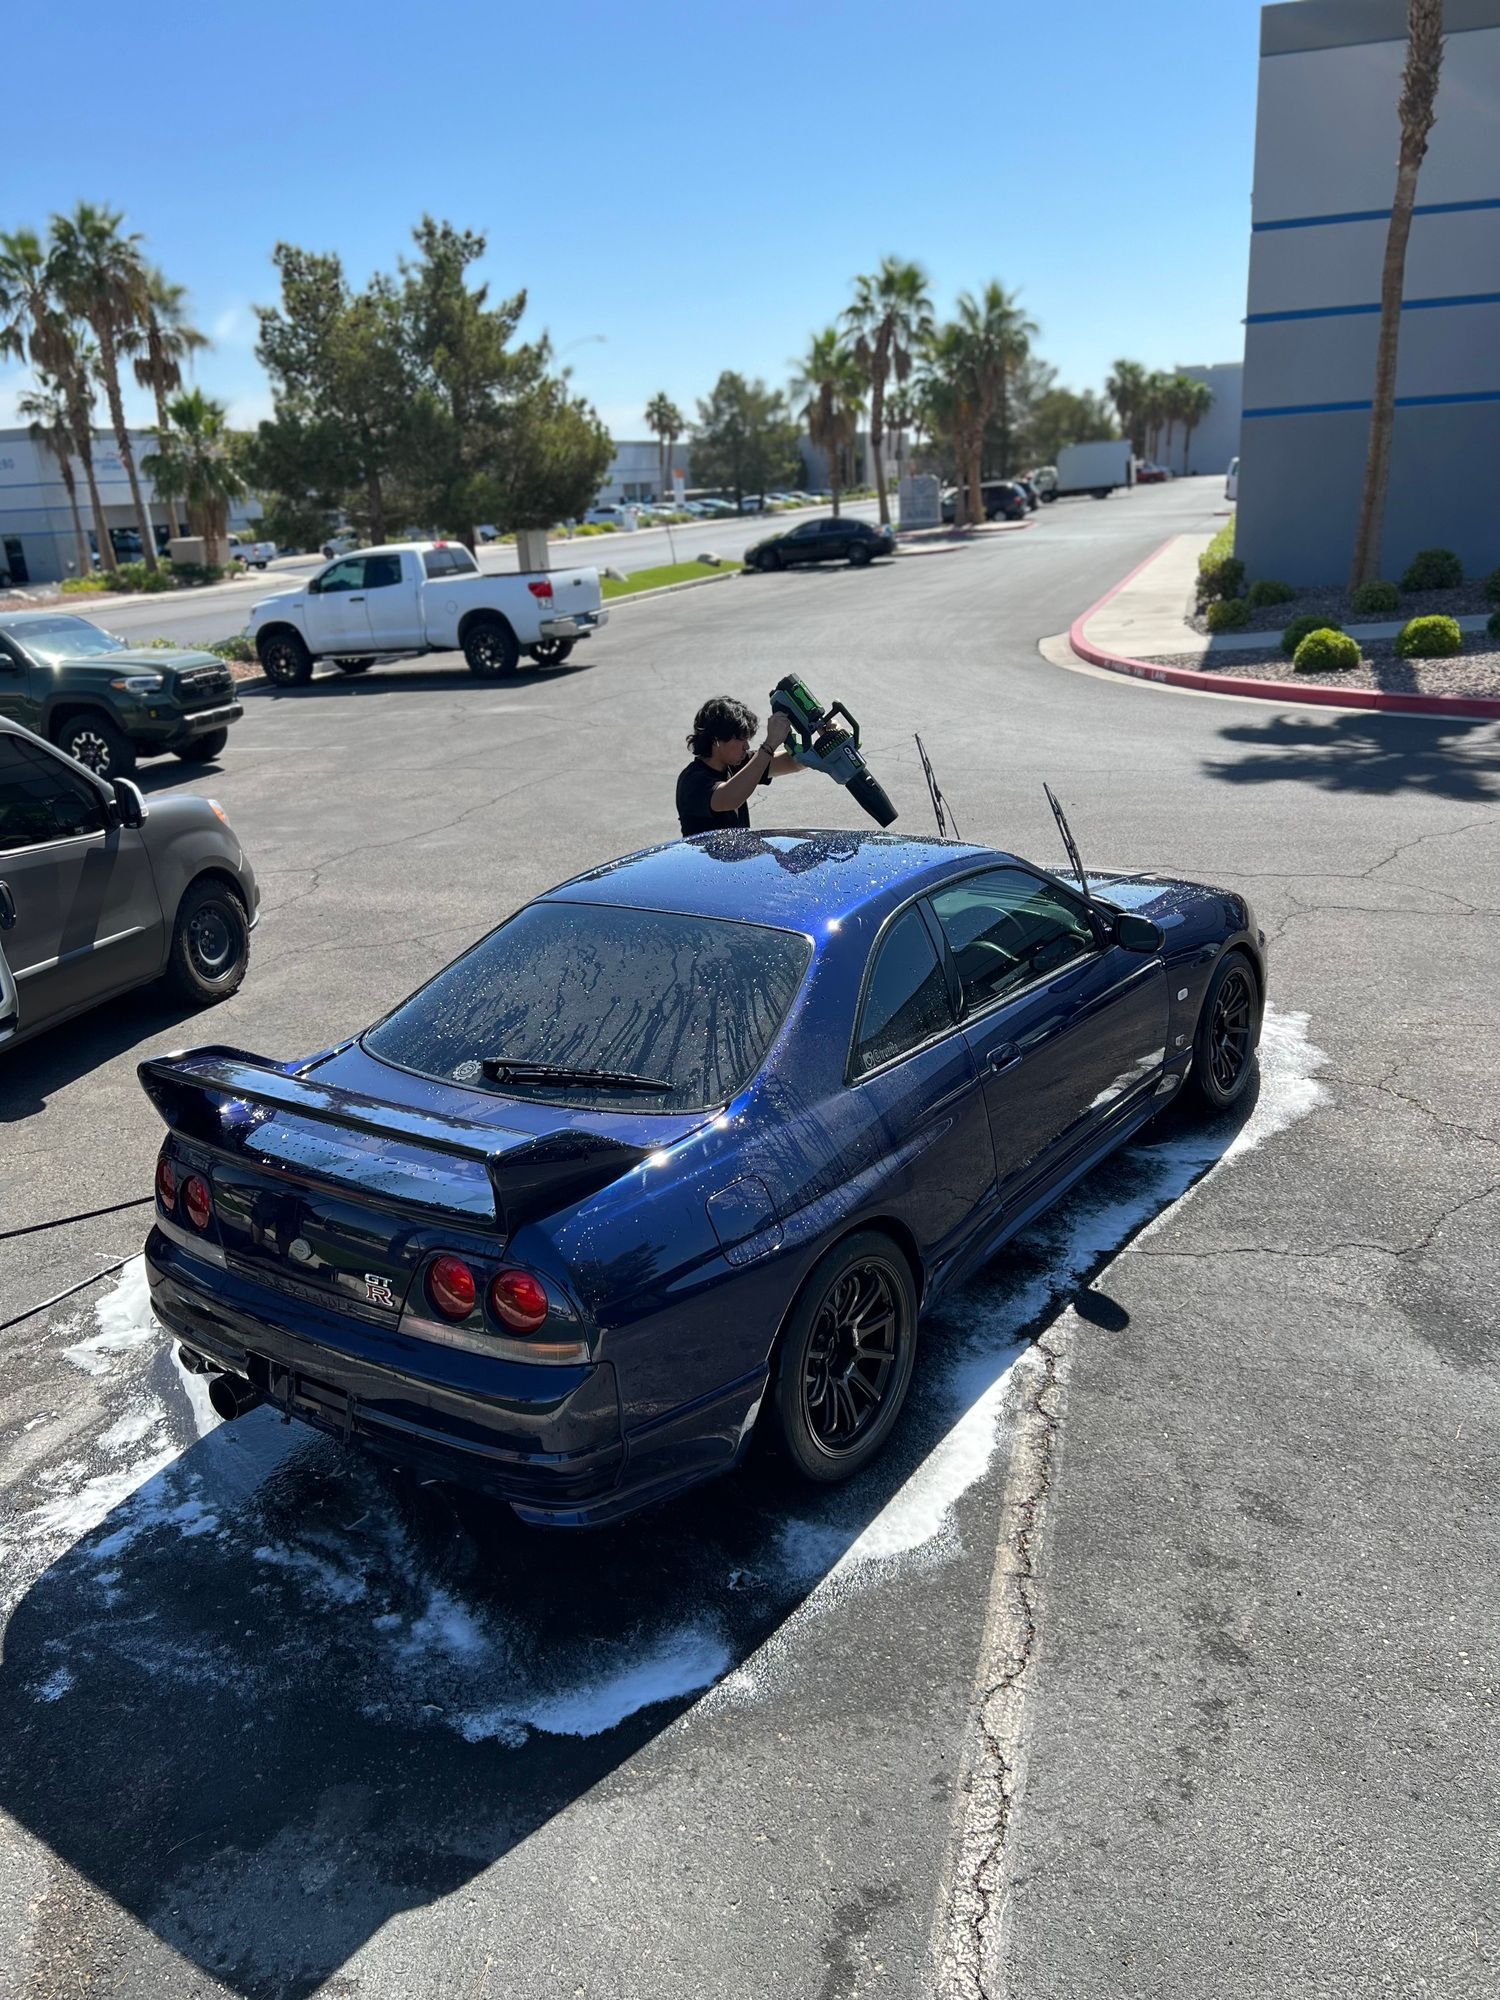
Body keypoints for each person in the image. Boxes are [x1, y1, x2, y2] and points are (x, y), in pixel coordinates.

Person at [676, 695, 806, 837]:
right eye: (740, 739)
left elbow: (794, 762)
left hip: (739, 858)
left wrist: (826, 740)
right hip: (704, 859)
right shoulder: (692, 782)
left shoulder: (736, 762)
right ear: (716, 740)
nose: (746, 746)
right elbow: (730, 798)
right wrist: (769, 745)